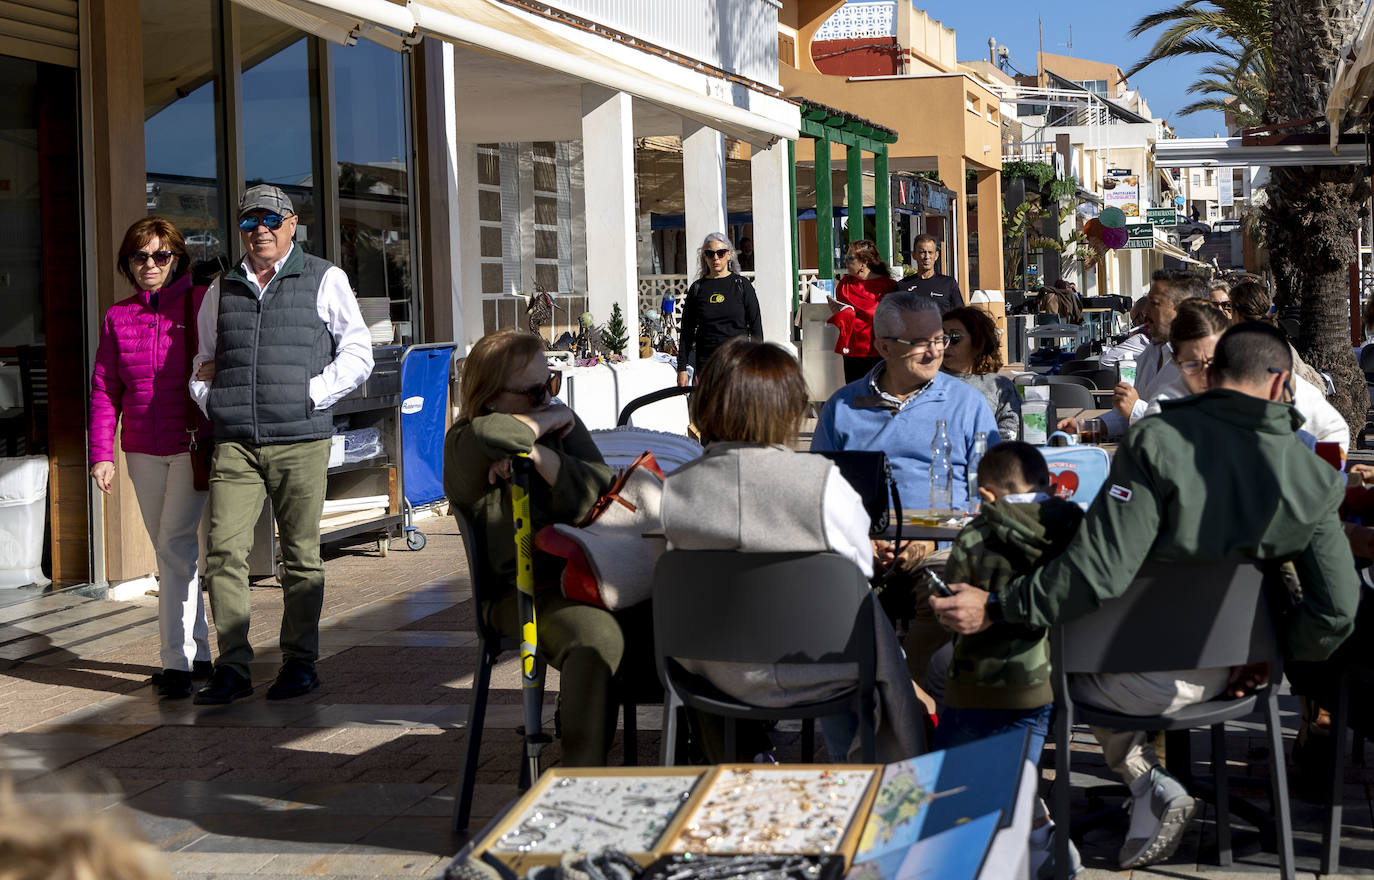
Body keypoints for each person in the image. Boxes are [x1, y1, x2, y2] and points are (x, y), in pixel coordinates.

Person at [933, 322, 1361, 869]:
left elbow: (1096, 575)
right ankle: (1139, 791)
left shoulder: (1157, 441)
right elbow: (1336, 611)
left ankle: (1027, 833)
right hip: (1240, 675)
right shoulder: (1310, 472)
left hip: (1134, 671)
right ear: (1282, 387)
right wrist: (1274, 647)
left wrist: (995, 607)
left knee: (975, 661)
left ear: (1212, 375)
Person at [660, 337, 924, 762]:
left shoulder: (676, 489)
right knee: (871, 628)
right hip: (820, 663)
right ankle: (873, 765)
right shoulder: (821, 483)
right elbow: (856, 571)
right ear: (786, 407)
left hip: (712, 667)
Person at [189, 184, 374, 704]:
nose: (260, 230)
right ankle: (233, 667)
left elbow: (358, 352)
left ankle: (299, 662)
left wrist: (311, 393)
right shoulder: (220, 289)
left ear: (292, 223)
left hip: (300, 438)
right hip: (236, 443)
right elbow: (204, 359)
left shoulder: (324, 277)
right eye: (250, 223)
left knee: (300, 555)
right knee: (224, 552)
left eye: (271, 220)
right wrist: (211, 399)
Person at [444, 330, 648, 766]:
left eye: (551, 384)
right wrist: (543, 428)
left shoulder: (559, 425)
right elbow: (492, 434)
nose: (548, 399)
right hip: (524, 591)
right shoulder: (464, 444)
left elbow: (603, 491)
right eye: (535, 391)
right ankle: (580, 777)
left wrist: (542, 457)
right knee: (597, 638)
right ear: (490, 396)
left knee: (685, 611)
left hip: (597, 573)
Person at [812, 290, 1000, 685]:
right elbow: (819, 492)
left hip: (941, 548)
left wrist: (929, 544)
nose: (934, 352)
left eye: (939, 340)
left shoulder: (967, 405)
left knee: (947, 593)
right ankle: (858, 712)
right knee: (816, 596)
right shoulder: (844, 407)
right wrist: (862, 543)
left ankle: (911, 704)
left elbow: (989, 497)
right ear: (882, 346)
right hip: (861, 549)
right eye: (919, 343)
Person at [937, 440, 1085, 878]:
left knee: (955, 778)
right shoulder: (1073, 526)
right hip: (1041, 680)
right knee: (1021, 770)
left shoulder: (974, 535)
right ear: (1048, 483)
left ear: (986, 495)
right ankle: (1039, 843)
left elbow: (954, 614)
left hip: (975, 684)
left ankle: (992, 854)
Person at [89, 217, 213, 699]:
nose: (150, 265)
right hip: (141, 448)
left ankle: (175, 664)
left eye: (161, 255)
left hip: (189, 443)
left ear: (177, 258)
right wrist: (102, 454)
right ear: (128, 262)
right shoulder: (116, 317)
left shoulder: (198, 303)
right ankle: (199, 653)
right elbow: (105, 389)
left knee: (173, 546)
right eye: (140, 257)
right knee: (176, 551)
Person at [1059, 270, 1205, 440]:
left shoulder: (1203, 362)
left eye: (1155, 303)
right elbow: (1125, 415)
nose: (1145, 313)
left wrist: (1135, 408)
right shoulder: (1151, 351)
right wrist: (1087, 427)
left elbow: (1185, 428)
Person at [675, 233, 762, 387]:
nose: (716, 258)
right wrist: (681, 368)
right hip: (707, 365)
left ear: (729, 255)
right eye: (710, 253)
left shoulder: (742, 285)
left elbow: (756, 328)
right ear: (705, 257)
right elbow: (687, 331)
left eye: (720, 253)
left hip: (737, 364)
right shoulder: (697, 288)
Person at [940, 306, 1020, 440]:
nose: (946, 344)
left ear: (978, 342)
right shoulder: (929, 383)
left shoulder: (998, 386)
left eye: (954, 337)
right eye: (941, 338)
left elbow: (1009, 432)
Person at [827, 239, 898, 383]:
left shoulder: (889, 287)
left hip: (879, 353)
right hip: (852, 354)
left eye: (850, 258)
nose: (845, 261)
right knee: (855, 399)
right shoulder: (844, 285)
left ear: (864, 261)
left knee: (877, 398)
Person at [896, 233, 963, 311]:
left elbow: (961, 316)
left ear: (936, 255)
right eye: (922, 252)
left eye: (930, 252)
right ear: (914, 255)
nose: (927, 257)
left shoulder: (949, 284)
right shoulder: (903, 286)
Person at [1098, 297, 1151, 369]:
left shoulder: (1142, 338)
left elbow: (1105, 361)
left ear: (1143, 315)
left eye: (1134, 322)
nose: (1133, 326)